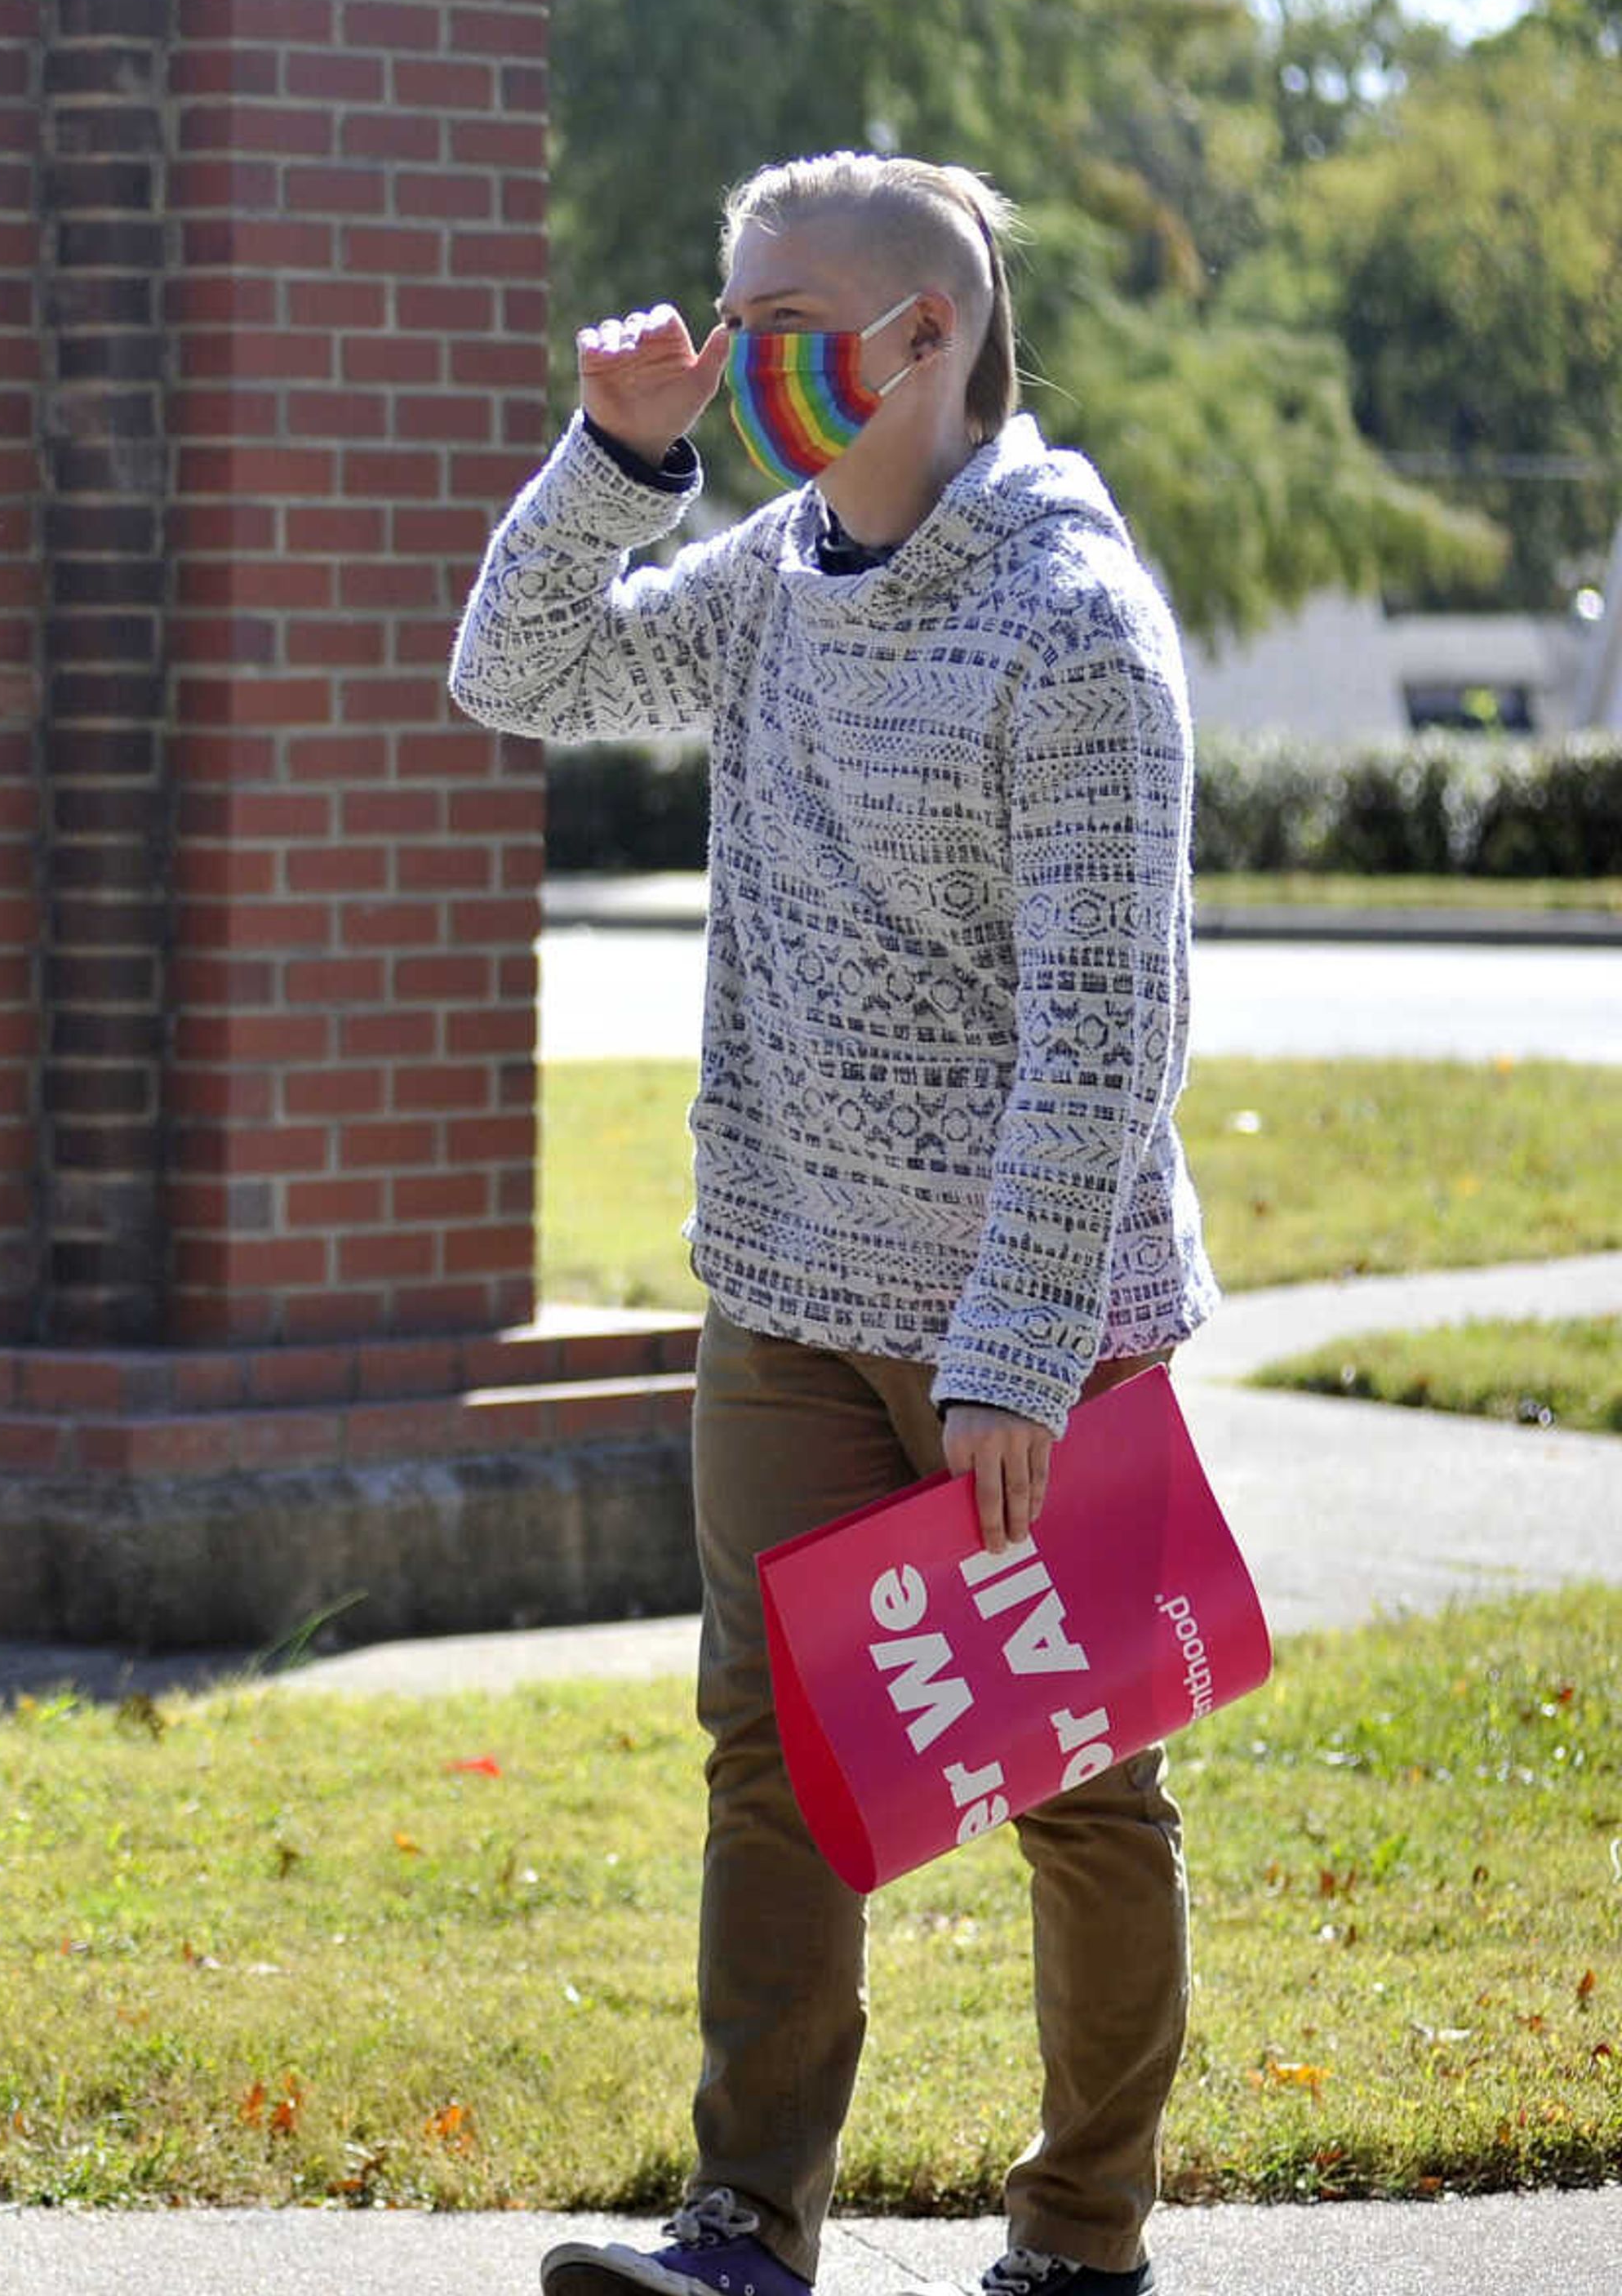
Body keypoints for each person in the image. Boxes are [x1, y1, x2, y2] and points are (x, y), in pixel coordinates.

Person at [449, 153, 1218, 2296]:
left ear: (924, 344)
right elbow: (524, 672)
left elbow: (1108, 1029)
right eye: (722, 306)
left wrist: (1017, 1352)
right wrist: (622, 454)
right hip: (784, 1286)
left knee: (1076, 1785)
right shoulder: (778, 566)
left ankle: (1083, 2240)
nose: (728, 353)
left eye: (771, 319)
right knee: (771, 1754)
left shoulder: (1076, 625)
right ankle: (744, 2226)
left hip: (1022, 1324)